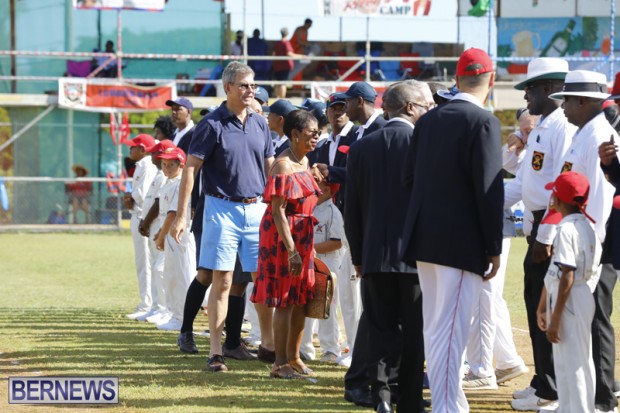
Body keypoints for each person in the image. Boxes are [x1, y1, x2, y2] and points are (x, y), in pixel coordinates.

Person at [401, 48, 504, 413]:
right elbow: (489, 190)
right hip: (459, 244)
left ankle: (451, 402)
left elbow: (409, 180)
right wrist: (494, 246)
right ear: (491, 81)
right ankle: (447, 407)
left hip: (425, 238)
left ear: (457, 80)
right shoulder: (484, 121)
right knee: (450, 330)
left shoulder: (428, 121)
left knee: (436, 327)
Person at [170, 61, 275, 373]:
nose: (250, 90)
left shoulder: (260, 124)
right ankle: (216, 352)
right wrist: (181, 215)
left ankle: (270, 346)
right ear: (227, 87)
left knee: (261, 280)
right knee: (223, 279)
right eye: (244, 85)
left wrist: (277, 207)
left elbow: (270, 167)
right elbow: (190, 169)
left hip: (257, 208)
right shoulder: (211, 124)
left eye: (253, 85)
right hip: (221, 208)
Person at [346, 81, 430, 413]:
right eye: (426, 106)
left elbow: (352, 210)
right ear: (409, 107)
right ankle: (409, 400)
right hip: (414, 257)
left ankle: (380, 395)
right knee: (413, 332)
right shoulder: (422, 144)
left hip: (374, 256)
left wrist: (358, 255)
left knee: (379, 329)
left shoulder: (361, 148)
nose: (428, 112)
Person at [503, 57, 574, 411]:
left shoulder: (562, 127)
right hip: (537, 226)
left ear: (549, 88)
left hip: (552, 231)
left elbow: (563, 188)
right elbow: (523, 183)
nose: (525, 96)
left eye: (529, 88)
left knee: (546, 310)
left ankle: (551, 389)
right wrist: (479, 200)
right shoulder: (544, 125)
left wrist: (545, 234)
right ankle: (542, 380)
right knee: (535, 307)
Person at [549, 70, 617, 413]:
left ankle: (602, 399)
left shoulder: (599, 134)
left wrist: (590, 246)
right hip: (585, 239)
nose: (563, 107)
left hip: (592, 244)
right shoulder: (585, 132)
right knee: (589, 323)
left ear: (583, 101)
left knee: (596, 320)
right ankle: (589, 398)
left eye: (567, 100)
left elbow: (600, 198)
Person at [251, 109, 321, 379]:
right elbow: (278, 211)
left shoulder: (305, 162)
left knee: (301, 300)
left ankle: (294, 358)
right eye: (311, 133)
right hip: (283, 237)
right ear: (295, 134)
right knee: (285, 300)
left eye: (318, 133)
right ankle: (279, 363)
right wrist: (292, 250)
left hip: (303, 235)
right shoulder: (283, 165)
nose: (316, 137)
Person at [536, 171, 601, 413]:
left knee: (573, 364)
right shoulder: (587, 225)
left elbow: (567, 275)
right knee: (575, 361)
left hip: (569, 297)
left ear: (557, 199)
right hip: (579, 296)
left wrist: (555, 318)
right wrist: (543, 306)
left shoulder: (566, 229)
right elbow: (555, 271)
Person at [299, 180, 344, 364]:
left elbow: (337, 242)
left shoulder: (333, 212)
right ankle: (304, 348)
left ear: (326, 189)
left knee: (327, 306)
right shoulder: (308, 207)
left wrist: (311, 249)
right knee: (305, 304)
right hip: (308, 263)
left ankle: (331, 349)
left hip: (328, 263)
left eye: (318, 184)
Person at [154, 147, 196, 331]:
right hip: (170, 233)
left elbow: (173, 213)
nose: (167, 168)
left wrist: (161, 236)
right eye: (164, 164)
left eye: (171, 164)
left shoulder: (180, 183)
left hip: (178, 234)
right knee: (171, 274)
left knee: (181, 275)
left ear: (181, 165)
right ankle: (175, 313)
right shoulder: (167, 182)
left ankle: (181, 316)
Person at [138, 139, 177, 326]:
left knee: (162, 269)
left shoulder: (165, 177)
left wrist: (147, 222)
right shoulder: (161, 175)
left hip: (162, 225)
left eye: (156, 153)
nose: (153, 156)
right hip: (158, 225)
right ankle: (159, 307)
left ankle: (165, 309)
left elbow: (158, 203)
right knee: (157, 267)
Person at [123, 134, 158, 320]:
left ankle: (148, 304)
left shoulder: (147, 165)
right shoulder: (142, 165)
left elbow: (142, 194)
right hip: (139, 215)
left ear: (143, 149)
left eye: (133, 147)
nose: (130, 149)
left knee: (145, 262)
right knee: (144, 262)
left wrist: (130, 196)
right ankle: (148, 303)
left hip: (143, 216)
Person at [273, 28, 304, 99]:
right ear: (287, 34)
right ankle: (282, 98)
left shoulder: (277, 43)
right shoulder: (286, 42)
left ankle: (277, 97)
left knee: (278, 83)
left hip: (277, 66)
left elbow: (274, 54)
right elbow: (289, 54)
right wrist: (301, 56)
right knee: (283, 83)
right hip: (285, 66)